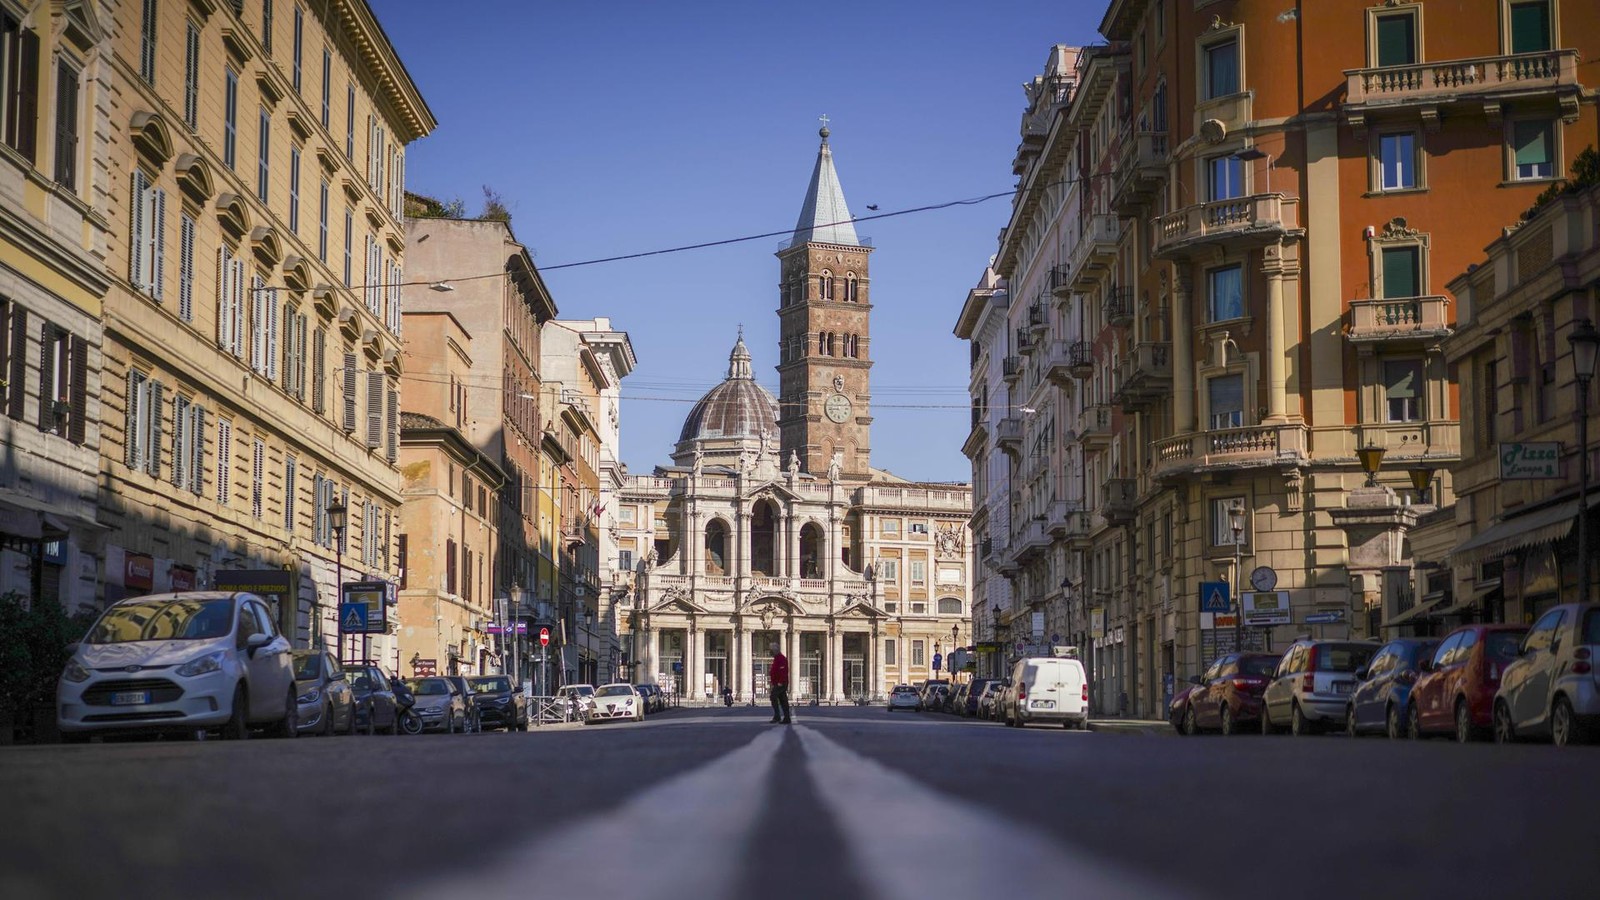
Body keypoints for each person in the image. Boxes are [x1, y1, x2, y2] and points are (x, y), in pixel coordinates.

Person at [768, 642, 791, 725]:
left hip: (781, 683)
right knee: (783, 700)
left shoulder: (781, 658)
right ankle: (786, 718)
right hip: (778, 683)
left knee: (773, 697)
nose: (769, 652)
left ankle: (777, 716)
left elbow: (783, 671)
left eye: (771, 650)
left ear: (775, 650)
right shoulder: (777, 658)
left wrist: (780, 682)